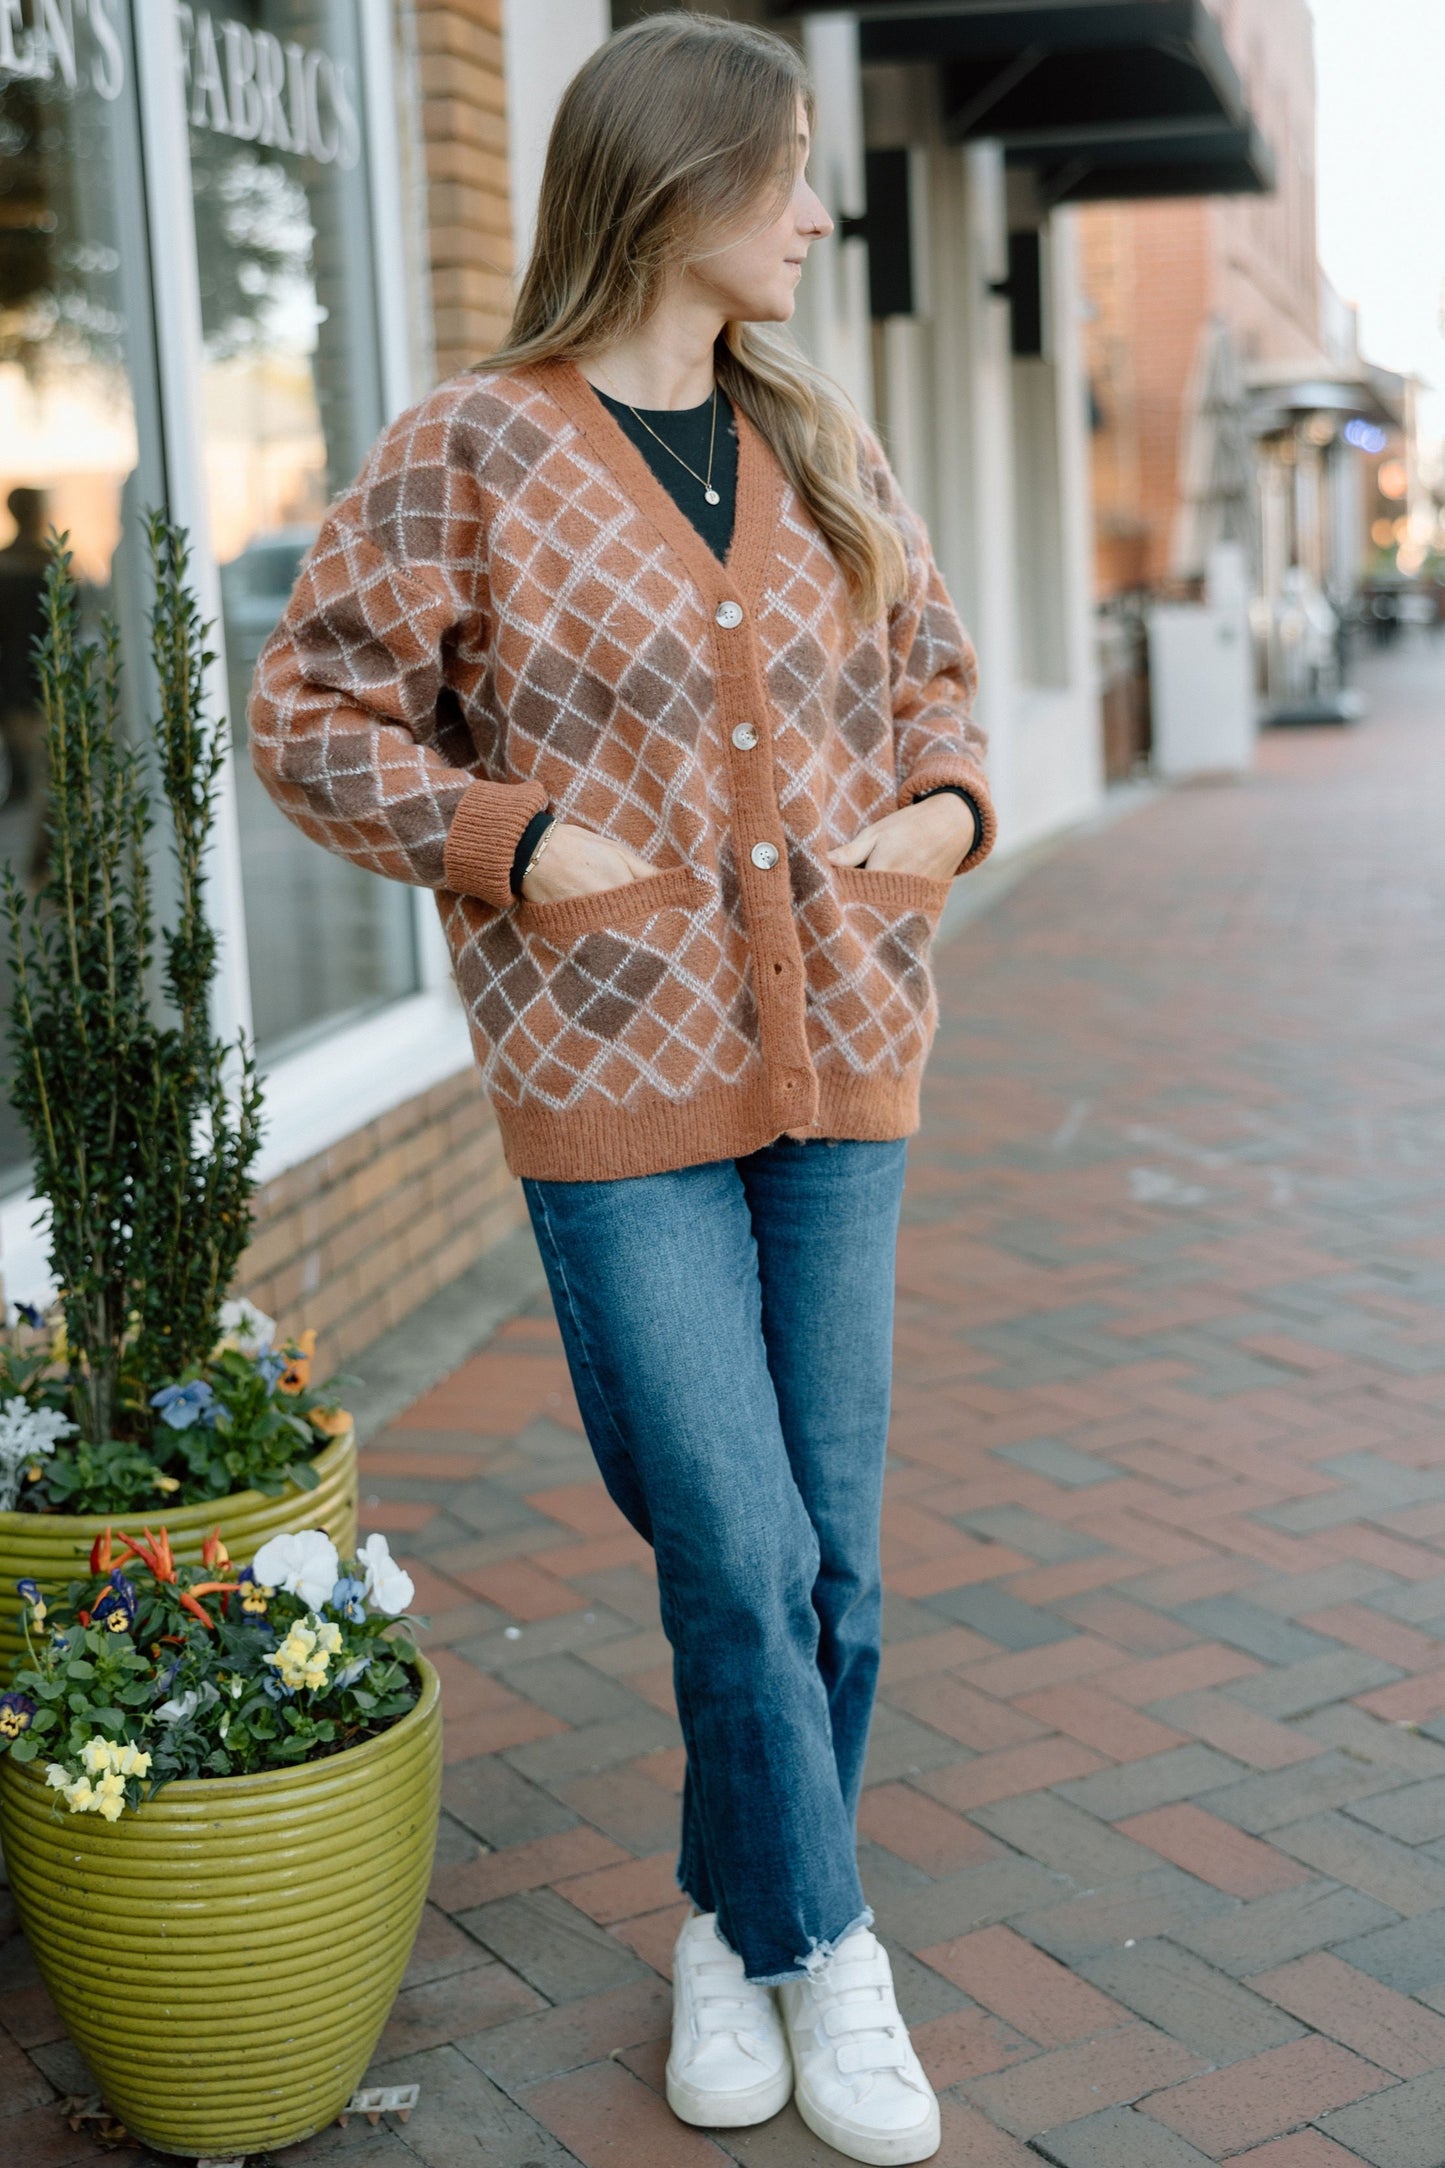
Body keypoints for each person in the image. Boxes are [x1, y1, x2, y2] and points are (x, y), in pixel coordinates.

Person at [249, 15, 994, 2164]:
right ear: (672, 183)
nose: (820, 212)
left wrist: (937, 823)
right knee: (738, 1546)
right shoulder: (476, 446)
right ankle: (832, 1954)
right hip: (608, 1077)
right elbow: (309, 708)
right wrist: (509, 842)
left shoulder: (821, 438)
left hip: (844, 1048)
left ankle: (725, 1915)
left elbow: (929, 668)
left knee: (833, 1555)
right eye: (788, 175)